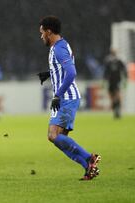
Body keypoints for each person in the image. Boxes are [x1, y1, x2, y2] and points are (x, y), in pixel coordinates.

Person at [37, 16, 101, 180]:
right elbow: (62, 69)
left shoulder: (59, 48)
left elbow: (72, 72)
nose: (41, 36)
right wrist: (50, 73)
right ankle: (88, 167)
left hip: (66, 98)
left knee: (54, 135)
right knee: (58, 138)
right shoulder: (57, 46)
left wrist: (58, 94)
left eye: (42, 32)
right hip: (64, 98)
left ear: (49, 32)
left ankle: (89, 158)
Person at [103, 48, 127, 119]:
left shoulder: (119, 61)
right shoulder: (108, 61)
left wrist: (125, 78)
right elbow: (106, 71)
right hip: (111, 81)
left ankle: (118, 109)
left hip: (117, 80)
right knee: (111, 95)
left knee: (117, 94)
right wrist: (104, 80)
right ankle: (115, 108)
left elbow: (123, 70)